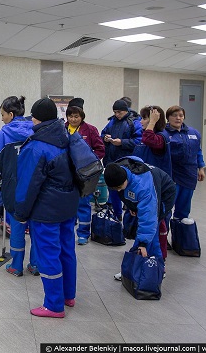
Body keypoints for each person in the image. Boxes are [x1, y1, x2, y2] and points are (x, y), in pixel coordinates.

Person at [14, 98, 79, 318]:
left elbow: (26, 185)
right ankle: (68, 296)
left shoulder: (36, 146)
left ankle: (53, 305)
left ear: (36, 118)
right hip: (68, 208)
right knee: (67, 251)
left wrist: (21, 215)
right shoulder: (66, 137)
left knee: (49, 255)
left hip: (46, 212)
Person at [0, 96, 37, 277]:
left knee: (17, 226)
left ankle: (16, 266)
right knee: (36, 228)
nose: (1, 118)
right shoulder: (35, 129)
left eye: (2, 115)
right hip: (35, 186)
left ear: (10, 114)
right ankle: (35, 265)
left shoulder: (3, 134)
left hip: (14, 186)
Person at [103, 158, 173, 281]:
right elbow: (125, 193)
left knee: (152, 232)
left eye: (119, 186)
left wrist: (142, 243)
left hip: (164, 194)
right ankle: (149, 268)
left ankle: (155, 268)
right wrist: (132, 206)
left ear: (125, 179)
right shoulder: (118, 172)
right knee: (149, 234)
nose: (118, 190)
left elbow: (148, 218)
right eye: (114, 188)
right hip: (149, 192)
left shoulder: (143, 186)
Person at [131, 105, 172, 259]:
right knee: (145, 226)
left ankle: (156, 263)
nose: (141, 121)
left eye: (145, 118)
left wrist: (153, 122)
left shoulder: (161, 137)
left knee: (152, 228)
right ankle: (142, 260)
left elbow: (150, 139)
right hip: (144, 188)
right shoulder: (143, 137)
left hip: (157, 190)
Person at [64, 98, 105, 245]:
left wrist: (89, 161)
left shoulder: (91, 130)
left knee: (83, 203)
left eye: (76, 116)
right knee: (68, 203)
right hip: (67, 173)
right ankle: (68, 232)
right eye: (70, 116)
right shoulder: (63, 129)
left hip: (85, 175)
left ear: (82, 117)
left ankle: (83, 233)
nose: (73, 119)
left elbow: (100, 149)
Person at [101, 99, 142, 220]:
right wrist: (106, 138)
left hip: (127, 163)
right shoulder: (112, 122)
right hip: (112, 160)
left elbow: (139, 141)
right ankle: (117, 215)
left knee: (128, 191)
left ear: (126, 111)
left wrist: (122, 143)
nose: (117, 115)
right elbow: (102, 134)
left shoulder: (134, 122)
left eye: (119, 112)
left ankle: (131, 218)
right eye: (115, 112)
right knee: (113, 190)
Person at [164, 105, 206, 221]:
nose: (178, 118)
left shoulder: (194, 133)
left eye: (181, 115)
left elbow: (198, 151)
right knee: (166, 208)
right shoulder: (163, 134)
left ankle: (180, 234)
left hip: (189, 175)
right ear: (168, 117)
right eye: (174, 115)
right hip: (171, 176)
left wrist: (201, 167)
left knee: (183, 209)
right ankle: (163, 236)